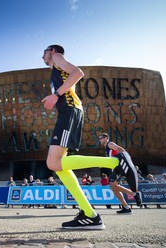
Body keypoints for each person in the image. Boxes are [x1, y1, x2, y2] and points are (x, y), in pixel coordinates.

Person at [41, 44, 122, 230]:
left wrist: (55, 95)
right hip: (68, 112)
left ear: (52, 51)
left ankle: (114, 163)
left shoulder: (58, 58)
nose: (42, 57)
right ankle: (89, 214)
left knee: (53, 163)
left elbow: (78, 73)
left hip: (70, 112)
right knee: (59, 166)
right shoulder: (56, 68)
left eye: (44, 52)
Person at [98, 133, 142, 214]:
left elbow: (121, 150)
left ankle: (134, 194)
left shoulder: (110, 144)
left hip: (119, 167)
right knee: (113, 186)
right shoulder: (106, 148)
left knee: (113, 185)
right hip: (114, 168)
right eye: (99, 138)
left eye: (101, 138)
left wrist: (124, 161)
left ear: (106, 138)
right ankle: (126, 206)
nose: (99, 139)